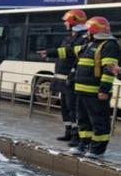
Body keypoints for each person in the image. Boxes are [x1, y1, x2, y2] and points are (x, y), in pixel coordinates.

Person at [72, 16, 120, 158]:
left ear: (93, 30)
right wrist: (49, 52)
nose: (87, 33)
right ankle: (84, 144)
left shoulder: (109, 45)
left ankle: (98, 150)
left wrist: (104, 90)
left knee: (99, 121)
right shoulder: (90, 44)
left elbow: (109, 69)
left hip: (96, 93)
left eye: (88, 30)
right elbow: (70, 51)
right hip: (82, 91)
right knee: (83, 120)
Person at [38, 9, 88, 144]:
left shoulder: (83, 38)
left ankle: (76, 135)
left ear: (74, 21)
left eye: (67, 21)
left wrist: (50, 52)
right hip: (62, 79)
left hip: (72, 79)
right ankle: (68, 132)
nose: (65, 23)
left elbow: (71, 54)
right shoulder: (70, 36)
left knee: (73, 108)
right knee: (65, 107)